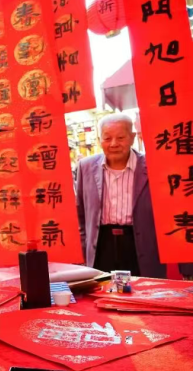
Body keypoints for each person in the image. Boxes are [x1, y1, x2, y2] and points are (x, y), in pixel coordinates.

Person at [76, 114, 193, 279]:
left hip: (141, 245)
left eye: (121, 137)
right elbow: (80, 215)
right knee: (102, 291)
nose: (114, 144)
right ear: (99, 140)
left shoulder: (153, 166)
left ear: (132, 137)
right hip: (101, 246)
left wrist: (187, 266)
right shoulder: (86, 167)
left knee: (144, 292)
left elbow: (174, 212)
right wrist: (82, 255)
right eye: (107, 138)